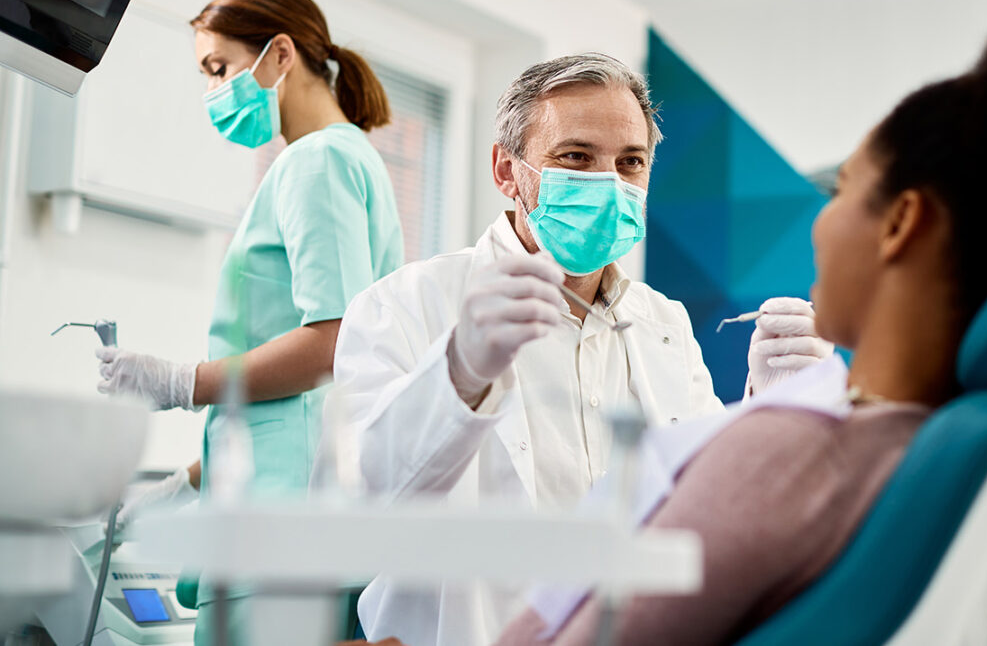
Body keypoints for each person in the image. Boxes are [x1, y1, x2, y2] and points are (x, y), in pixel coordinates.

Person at [482, 12, 987, 645]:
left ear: (901, 224)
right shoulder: (938, 440)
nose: (819, 224)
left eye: (842, 191)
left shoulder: (786, 454)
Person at [323, 53, 832, 646]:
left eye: (630, 162)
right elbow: (353, 510)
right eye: (576, 157)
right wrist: (458, 374)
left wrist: (764, 414)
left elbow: (708, 515)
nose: (608, 183)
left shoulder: (663, 322)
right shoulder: (407, 304)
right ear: (506, 172)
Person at [94, 0, 404, 645]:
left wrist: (182, 383)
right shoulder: (353, 161)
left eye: (220, 68)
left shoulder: (316, 164)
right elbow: (302, 407)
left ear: (281, 54)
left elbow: (330, 344)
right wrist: (185, 483)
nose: (214, 91)